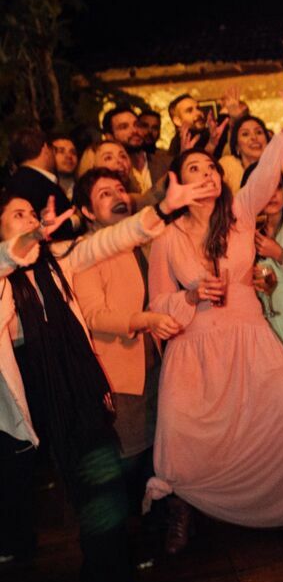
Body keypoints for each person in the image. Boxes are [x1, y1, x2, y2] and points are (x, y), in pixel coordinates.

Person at [0, 174, 212, 582]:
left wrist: (162, 210)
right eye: (16, 215)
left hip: (79, 388)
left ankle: (110, 576)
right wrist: (17, 249)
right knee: (84, 491)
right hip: (38, 397)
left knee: (102, 483)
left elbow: (108, 240)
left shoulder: (59, 259)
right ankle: (96, 568)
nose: (28, 219)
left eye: (30, 212)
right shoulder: (4, 280)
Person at [146, 83, 283, 545]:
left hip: (250, 338)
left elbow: (266, 174)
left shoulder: (242, 216)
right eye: (194, 167)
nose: (206, 173)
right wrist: (188, 298)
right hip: (195, 350)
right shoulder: (166, 238)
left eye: (211, 166)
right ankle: (182, 508)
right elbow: (156, 307)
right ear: (177, 183)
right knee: (183, 430)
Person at [71, 168, 183, 562]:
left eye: (121, 189)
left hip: (158, 362)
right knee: (129, 460)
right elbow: (95, 315)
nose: (118, 196)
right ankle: (132, 543)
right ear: (86, 210)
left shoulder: (147, 241)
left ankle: (161, 522)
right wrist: (143, 321)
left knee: (158, 449)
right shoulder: (87, 252)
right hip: (121, 370)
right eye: (105, 193)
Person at [250, 174, 283, 351]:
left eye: (277, 188)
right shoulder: (248, 229)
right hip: (269, 323)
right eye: (265, 189)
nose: (272, 195)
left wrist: (280, 254)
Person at [5, 126, 73, 218]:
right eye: (55, 150)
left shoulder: (12, 184)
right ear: (45, 148)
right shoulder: (43, 186)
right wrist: (77, 219)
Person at [49, 134, 79, 201]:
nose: (69, 156)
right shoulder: (43, 189)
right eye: (61, 151)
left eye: (73, 152)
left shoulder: (82, 188)